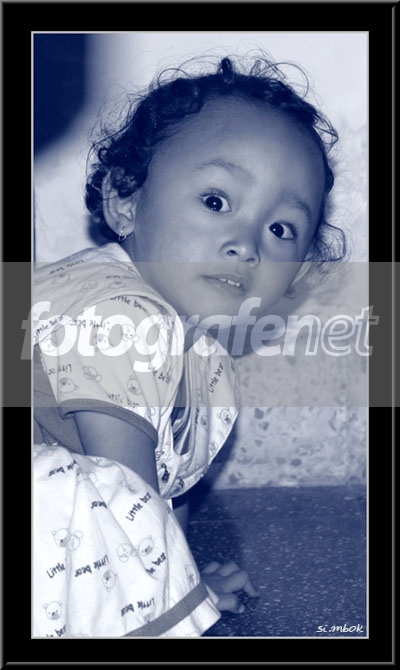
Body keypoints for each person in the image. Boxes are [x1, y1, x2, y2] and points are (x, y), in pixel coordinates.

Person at [33, 53, 346, 638]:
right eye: (216, 202)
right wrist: (177, 600)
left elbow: (159, 481)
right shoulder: (118, 314)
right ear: (126, 200)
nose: (246, 244)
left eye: (280, 229)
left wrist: (184, 578)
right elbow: (124, 488)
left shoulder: (193, 349)